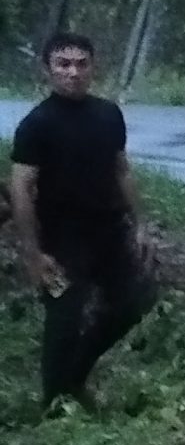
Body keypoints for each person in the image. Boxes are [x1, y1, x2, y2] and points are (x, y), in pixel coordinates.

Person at [10, 32, 156, 414]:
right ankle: (54, 408)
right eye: (63, 64)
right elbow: (21, 188)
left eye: (81, 64)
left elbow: (122, 169)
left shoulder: (109, 114)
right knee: (64, 321)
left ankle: (75, 375)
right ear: (48, 70)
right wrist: (33, 253)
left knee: (135, 301)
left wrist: (140, 224)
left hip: (109, 231)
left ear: (93, 67)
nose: (73, 72)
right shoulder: (36, 124)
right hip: (62, 238)